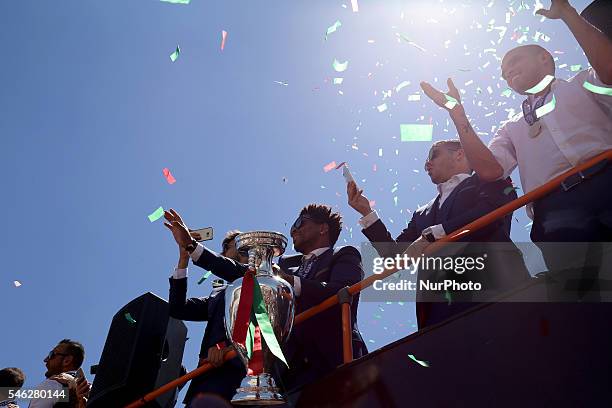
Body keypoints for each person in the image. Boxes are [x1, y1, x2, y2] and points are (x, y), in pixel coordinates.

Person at [420, 0, 612, 300]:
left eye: (514, 64)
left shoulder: (585, 83)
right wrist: (458, 114)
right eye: (503, 73)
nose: (507, 74)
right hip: (556, 210)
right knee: (586, 301)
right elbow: (490, 170)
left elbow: (610, 69)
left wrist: (568, 15)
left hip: (607, 179)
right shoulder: (511, 127)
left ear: (545, 59)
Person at [163, 204, 367, 394]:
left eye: (299, 222)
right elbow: (242, 274)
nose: (293, 229)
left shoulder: (343, 254)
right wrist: (191, 247)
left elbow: (343, 291)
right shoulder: (285, 267)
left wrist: (290, 282)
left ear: (323, 228)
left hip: (334, 361)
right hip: (290, 376)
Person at [348, 140, 530, 328]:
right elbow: (394, 256)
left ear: (459, 154)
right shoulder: (421, 214)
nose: (427, 163)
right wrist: (367, 213)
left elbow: (491, 213)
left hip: (496, 295)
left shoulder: (490, 178)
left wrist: (435, 233)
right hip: (438, 316)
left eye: (434, 155)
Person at [168, 230, 247, 406]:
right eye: (239, 242)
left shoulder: (265, 279)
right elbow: (178, 308)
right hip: (206, 381)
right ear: (224, 252)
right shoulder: (218, 295)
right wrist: (183, 259)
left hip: (244, 379)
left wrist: (229, 349)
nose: (245, 245)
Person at [28, 340, 86, 408]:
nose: (46, 359)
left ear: (67, 361)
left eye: (52, 354)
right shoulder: (86, 390)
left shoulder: (53, 383)